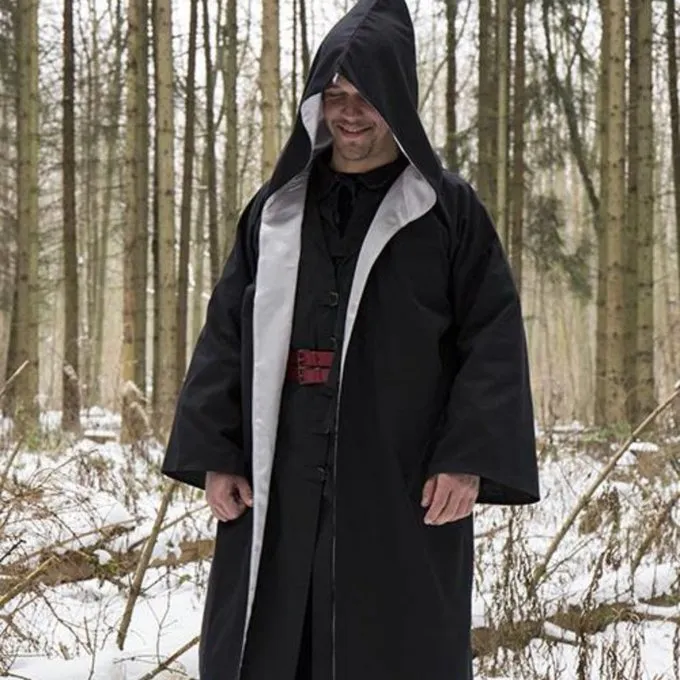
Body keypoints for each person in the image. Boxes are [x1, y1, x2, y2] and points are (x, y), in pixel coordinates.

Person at [161, 0, 540, 678]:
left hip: (397, 480)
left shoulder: (446, 212)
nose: (350, 114)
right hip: (281, 474)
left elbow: (493, 342)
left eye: (366, 97)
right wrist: (217, 453)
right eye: (335, 96)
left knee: (390, 648)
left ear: (397, 99)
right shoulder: (276, 209)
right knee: (273, 644)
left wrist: (466, 459)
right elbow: (225, 333)